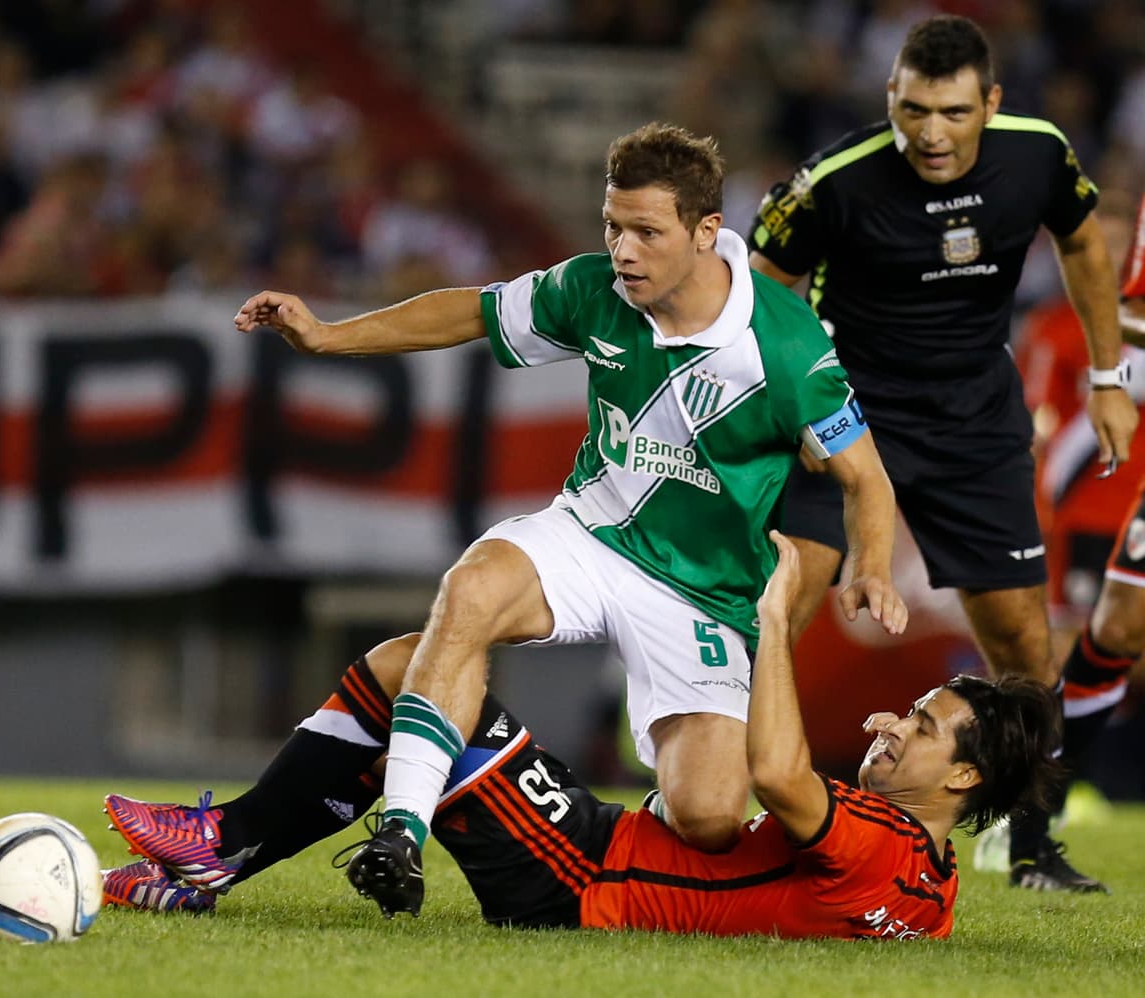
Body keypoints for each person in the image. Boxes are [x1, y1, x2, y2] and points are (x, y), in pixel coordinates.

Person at [227, 122, 907, 917]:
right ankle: (400, 835)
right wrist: (329, 336)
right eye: (613, 226)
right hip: (593, 535)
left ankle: (567, 821)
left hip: (707, 596)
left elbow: (866, 478)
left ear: (706, 233)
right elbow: (472, 312)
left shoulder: (786, 346)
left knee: (712, 818)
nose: (624, 250)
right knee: (473, 590)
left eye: (647, 232)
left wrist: (871, 568)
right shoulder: (593, 289)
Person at [100, 531, 1062, 939]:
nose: (894, 722)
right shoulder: (927, 888)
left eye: (925, 727)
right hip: (599, 844)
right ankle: (222, 854)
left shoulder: (876, 844)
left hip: (582, 876)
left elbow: (774, 771)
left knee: (411, 668)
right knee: (425, 670)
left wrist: (774, 619)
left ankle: (224, 846)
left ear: (966, 777)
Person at [747, 13, 1137, 892]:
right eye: (913, 109)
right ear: (889, 96)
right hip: (846, 422)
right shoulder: (835, 182)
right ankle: (724, 807)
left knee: (1023, 646)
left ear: (990, 103)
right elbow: (762, 287)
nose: (930, 132)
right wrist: (794, 399)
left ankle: (1029, 843)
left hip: (973, 426)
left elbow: (1082, 241)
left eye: (954, 112)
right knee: (782, 609)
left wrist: (1108, 374)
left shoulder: (1036, 155)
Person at [1046, 192, 1145, 848]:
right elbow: (1052, 440)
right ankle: (1043, 794)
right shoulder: (1056, 332)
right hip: (1092, 511)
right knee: (1099, 632)